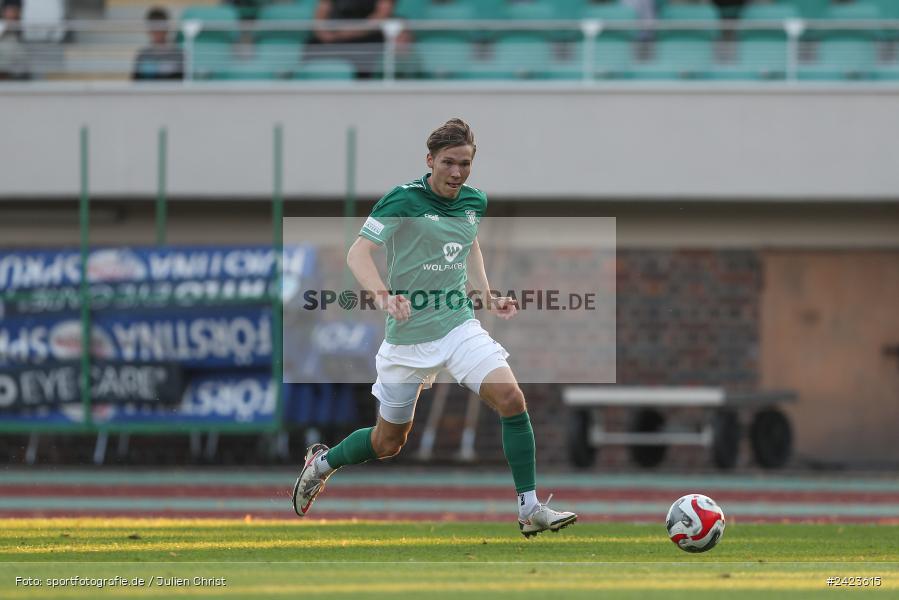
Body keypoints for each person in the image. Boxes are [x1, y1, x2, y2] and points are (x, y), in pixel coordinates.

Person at [292, 118, 578, 537]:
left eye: (465, 164)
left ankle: (529, 507)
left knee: (512, 398)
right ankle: (322, 464)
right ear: (430, 160)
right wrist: (384, 296)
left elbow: (469, 243)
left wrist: (486, 294)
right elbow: (358, 254)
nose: (458, 173)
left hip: (457, 325)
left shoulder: (473, 201)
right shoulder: (402, 200)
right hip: (407, 341)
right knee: (388, 443)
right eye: (449, 163)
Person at [305, 0, 395, 78]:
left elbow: (381, 16)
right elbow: (321, 12)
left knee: (364, 56)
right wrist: (324, 33)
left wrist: (347, 32)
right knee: (312, 46)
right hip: (332, 38)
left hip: (366, 39)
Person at [132, 6, 183, 81]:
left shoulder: (178, 54)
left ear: (167, 27)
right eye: (153, 27)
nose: (157, 31)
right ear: (148, 29)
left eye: (160, 27)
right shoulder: (142, 55)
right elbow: (135, 83)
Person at [0, 0, 29, 80]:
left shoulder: (18, 28)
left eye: (16, 11)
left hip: (15, 72)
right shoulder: (2, 25)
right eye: (10, 10)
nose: (13, 14)